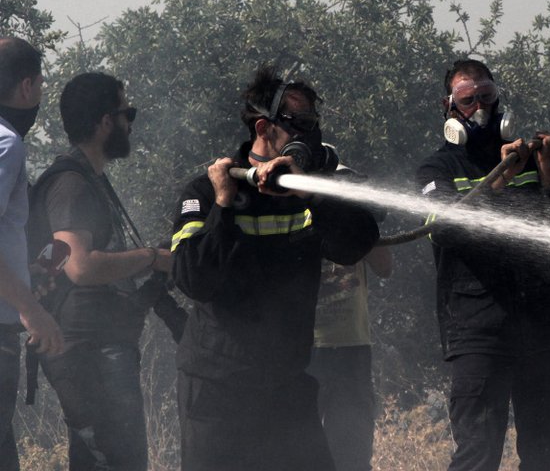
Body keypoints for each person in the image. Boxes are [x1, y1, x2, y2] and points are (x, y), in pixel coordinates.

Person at [171, 65, 380, 471]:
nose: (309, 133)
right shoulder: (207, 191)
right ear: (264, 127)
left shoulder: (309, 188)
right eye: (299, 123)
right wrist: (223, 205)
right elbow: (194, 279)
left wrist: (311, 193)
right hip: (218, 386)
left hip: (286, 382)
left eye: (312, 123)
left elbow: (357, 242)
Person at [416, 59, 550, 471]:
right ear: (449, 107)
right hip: (478, 332)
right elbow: (449, 232)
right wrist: (498, 180)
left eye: (486, 97)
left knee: (549, 455)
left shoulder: (529, 162)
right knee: (477, 454)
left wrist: (544, 168)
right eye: (467, 99)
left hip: (542, 329)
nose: (479, 108)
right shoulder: (438, 169)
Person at [35, 72, 173, 471]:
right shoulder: (72, 184)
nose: (130, 122)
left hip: (98, 349)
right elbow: (79, 266)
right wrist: (150, 257)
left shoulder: (90, 180)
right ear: (105, 122)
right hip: (91, 351)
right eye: (126, 112)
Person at [0, 36, 63, 471]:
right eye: (40, 84)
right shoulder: (7, 143)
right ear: (26, 87)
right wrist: (31, 310)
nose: (40, 94)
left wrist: (28, 273)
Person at [307, 243, 392, 471]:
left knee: (353, 453)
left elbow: (384, 266)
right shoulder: (292, 209)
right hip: (303, 351)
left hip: (351, 349)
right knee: (297, 449)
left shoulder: (357, 211)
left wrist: (363, 224)